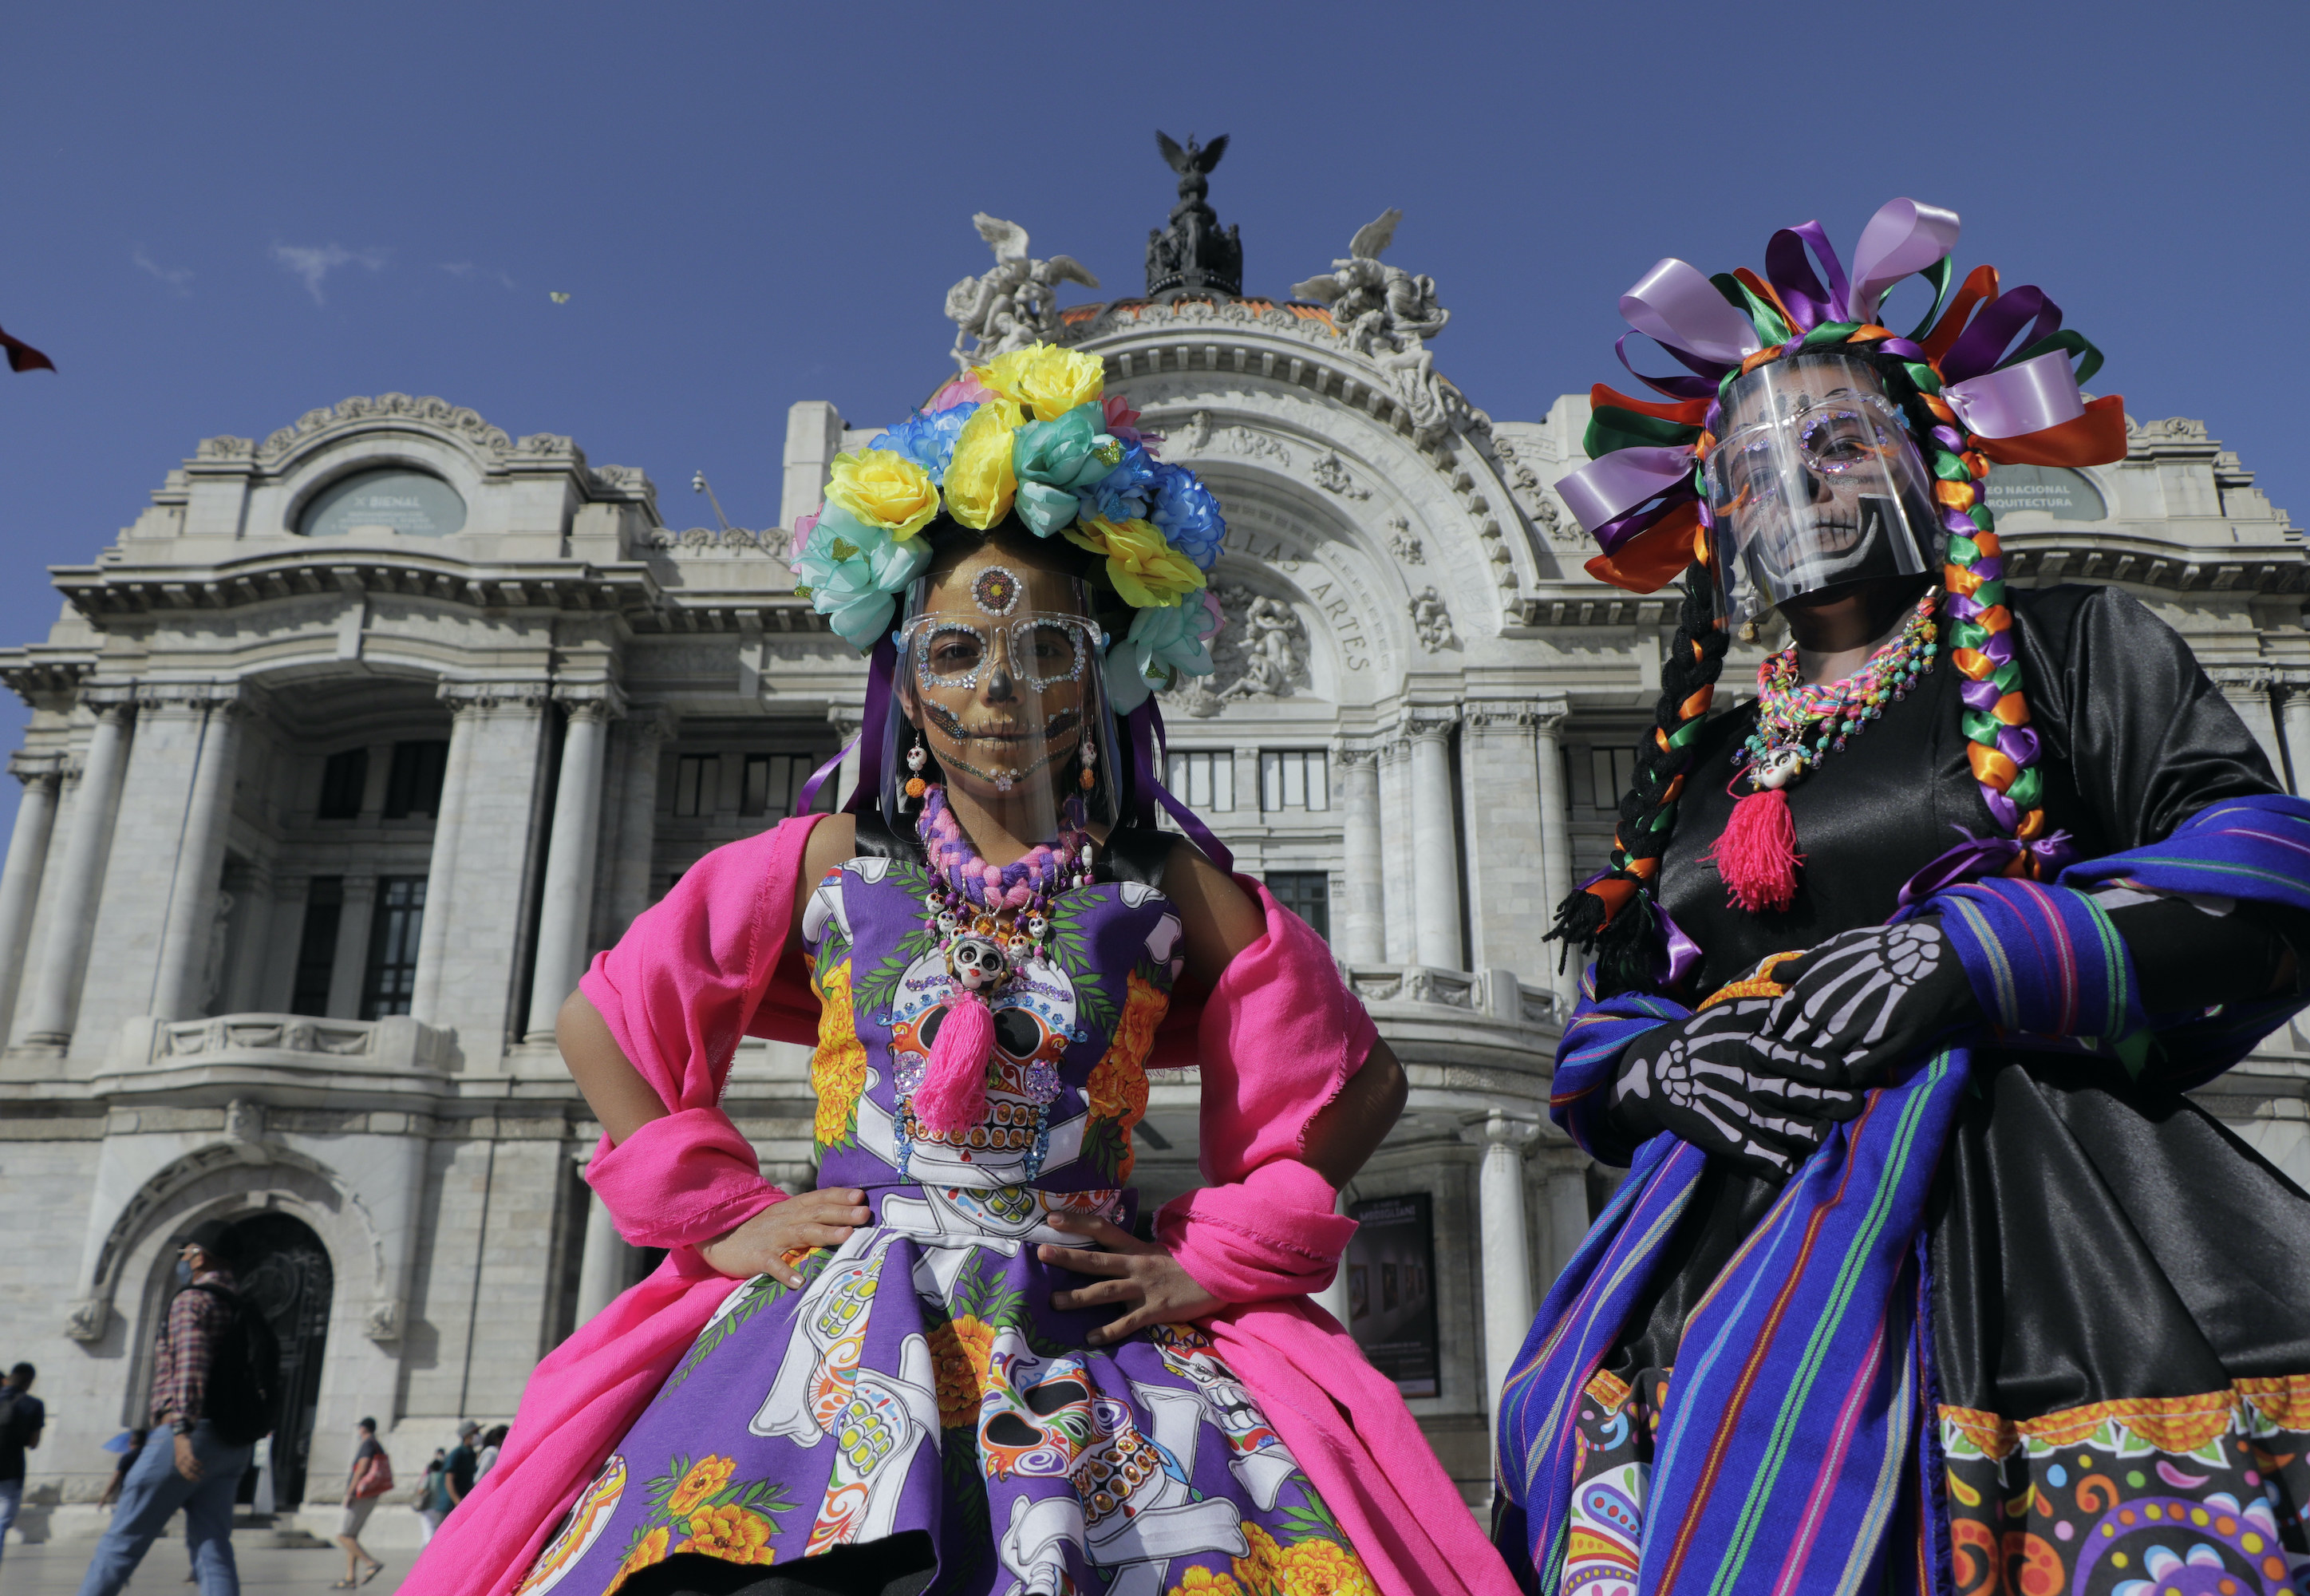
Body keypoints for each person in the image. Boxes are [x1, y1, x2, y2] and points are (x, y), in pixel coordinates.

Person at [401, 345, 1513, 1596]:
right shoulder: (830, 856)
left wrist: (1221, 1254)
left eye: (1044, 649)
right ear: (902, 675)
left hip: (1078, 1312)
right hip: (838, 1313)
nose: (999, 687)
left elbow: (1360, 1079)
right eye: (956, 654)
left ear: (1103, 667)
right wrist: (725, 1214)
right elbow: (605, 1019)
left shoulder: (1161, 879)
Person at [1495, 198, 2310, 1593]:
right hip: (1720, 1258)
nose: (1803, 492)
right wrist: (1669, 1067)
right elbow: (1603, 1031)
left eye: (1842, 446)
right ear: (1715, 517)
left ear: (1926, 460)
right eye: (1754, 470)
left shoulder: (2071, 648)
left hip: (2023, 1235)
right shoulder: (1705, 765)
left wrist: (1977, 953)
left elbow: (2283, 877)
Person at [77, 1221, 260, 1596]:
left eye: (186, 1251)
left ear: (200, 1256)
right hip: (233, 1443)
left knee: (122, 1541)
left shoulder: (193, 1300)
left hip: (189, 1437)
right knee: (213, 1549)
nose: (183, 1259)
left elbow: (190, 1369)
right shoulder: (244, 1305)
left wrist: (181, 1434)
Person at [332, 1417, 390, 1588]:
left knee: (343, 1535)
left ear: (363, 1428)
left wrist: (350, 1492)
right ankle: (350, 1578)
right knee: (352, 1535)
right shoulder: (376, 1443)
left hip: (361, 1494)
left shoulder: (367, 1444)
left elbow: (363, 1467)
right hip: (370, 1494)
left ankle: (371, 1563)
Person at [0, 1362, 44, 1570]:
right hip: (11, 1467)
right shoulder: (33, 1404)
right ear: (29, 1382)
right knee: (4, 1515)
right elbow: (33, 1443)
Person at [432, 1423, 478, 1523]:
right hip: (449, 1506)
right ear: (467, 1435)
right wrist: (457, 1501)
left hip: (462, 1505)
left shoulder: (471, 1454)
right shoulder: (457, 1453)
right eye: (476, 1432)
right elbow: (449, 1480)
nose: (478, 1435)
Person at [410, 1452, 447, 1547]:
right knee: (436, 1529)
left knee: (428, 1530)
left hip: (428, 1506)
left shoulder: (430, 1477)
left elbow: (421, 1490)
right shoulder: (444, 1477)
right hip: (440, 1507)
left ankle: (429, 1551)